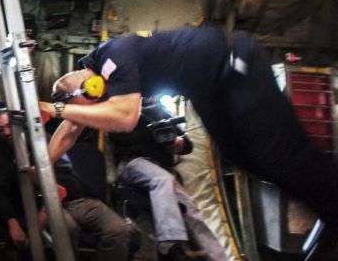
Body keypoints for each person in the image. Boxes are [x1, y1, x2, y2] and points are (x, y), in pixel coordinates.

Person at [39, 26, 338, 259]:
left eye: (85, 104)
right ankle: (329, 212)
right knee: (240, 155)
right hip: (209, 86)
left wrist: (58, 110)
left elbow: (126, 117)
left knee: (278, 154)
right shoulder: (95, 86)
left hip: (233, 62)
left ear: (83, 85)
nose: (92, 109)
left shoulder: (114, 53)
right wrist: (40, 166)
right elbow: (70, 128)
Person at [0, 110, 131, 261]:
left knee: (118, 229)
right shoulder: (1, 154)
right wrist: (14, 224)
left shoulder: (44, 142)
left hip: (78, 200)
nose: (6, 132)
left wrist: (43, 215)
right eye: (1, 129)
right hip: (49, 206)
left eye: (8, 126)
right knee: (65, 230)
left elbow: (65, 177)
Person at [109, 98, 227, 261]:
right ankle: (171, 244)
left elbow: (187, 145)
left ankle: (220, 257)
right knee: (162, 179)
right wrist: (151, 133)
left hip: (161, 168)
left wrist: (178, 144)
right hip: (133, 163)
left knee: (189, 206)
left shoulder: (161, 112)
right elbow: (118, 136)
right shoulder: (123, 109)